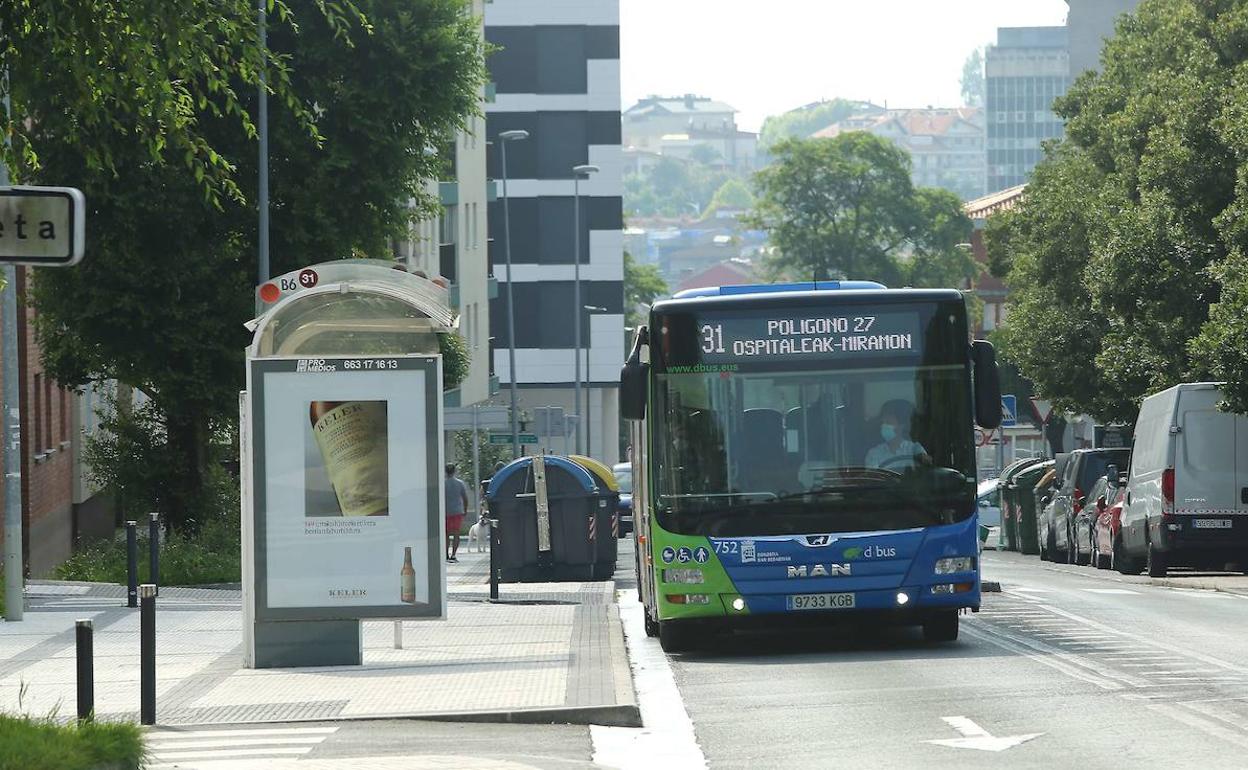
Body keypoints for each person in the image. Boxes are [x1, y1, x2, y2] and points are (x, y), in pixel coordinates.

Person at [865, 400, 929, 470]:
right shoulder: (874, 454)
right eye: (883, 422)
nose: (883, 426)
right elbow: (874, 476)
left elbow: (926, 468)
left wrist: (923, 458)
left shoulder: (914, 449)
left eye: (888, 422)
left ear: (902, 426)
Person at [444, 463, 470, 563]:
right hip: (457, 512)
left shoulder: (443, 484)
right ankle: (453, 555)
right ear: (454, 471)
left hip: (445, 512)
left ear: (445, 471)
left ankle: (446, 554)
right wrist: (465, 510)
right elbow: (465, 498)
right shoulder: (460, 483)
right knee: (456, 533)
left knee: (446, 534)